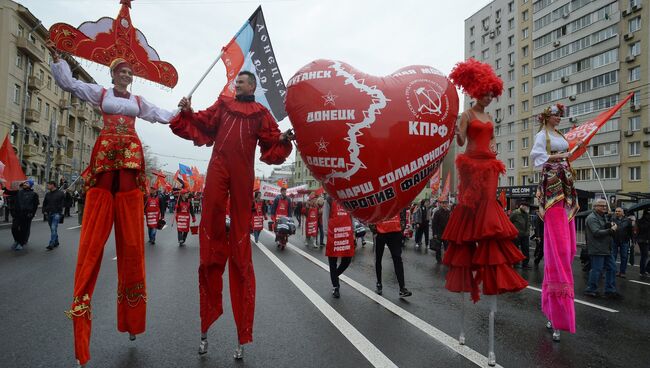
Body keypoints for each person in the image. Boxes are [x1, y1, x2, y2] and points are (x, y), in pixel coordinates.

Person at [48, 42, 177, 365]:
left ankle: (133, 321)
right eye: (122, 71)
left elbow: (162, 115)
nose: (126, 75)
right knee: (92, 245)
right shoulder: (100, 94)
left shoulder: (137, 101)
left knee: (132, 248)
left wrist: (182, 110)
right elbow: (71, 85)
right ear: (113, 74)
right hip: (106, 163)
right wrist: (58, 61)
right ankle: (81, 333)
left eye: (130, 73)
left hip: (130, 167)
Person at [172, 70, 293, 358]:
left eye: (240, 81)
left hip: (241, 173)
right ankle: (207, 315)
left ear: (251, 85)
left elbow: (272, 142)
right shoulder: (224, 104)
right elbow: (203, 122)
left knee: (240, 253)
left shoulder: (260, 113)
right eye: (236, 82)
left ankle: (242, 332)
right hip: (219, 167)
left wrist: (285, 138)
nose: (235, 84)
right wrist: (188, 111)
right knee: (211, 240)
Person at [443, 59, 527, 302]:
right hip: (470, 165)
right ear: (477, 92)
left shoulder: (490, 117)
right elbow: (460, 143)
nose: (489, 98)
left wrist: (493, 152)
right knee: (471, 206)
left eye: (492, 94)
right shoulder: (467, 114)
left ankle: (488, 254)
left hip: (489, 165)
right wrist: (457, 131)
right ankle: (470, 247)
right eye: (486, 94)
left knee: (489, 204)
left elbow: (491, 142)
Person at [529, 103, 580, 341]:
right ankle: (557, 315)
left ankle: (553, 310)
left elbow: (566, 157)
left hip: (566, 185)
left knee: (567, 250)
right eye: (556, 115)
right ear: (547, 117)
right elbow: (538, 161)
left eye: (561, 115)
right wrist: (561, 156)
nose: (559, 118)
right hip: (553, 188)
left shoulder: (559, 134)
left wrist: (569, 154)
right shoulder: (543, 135)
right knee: (558, 252)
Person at [584, 199, 621, 299]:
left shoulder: (603, 216)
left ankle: (610, 290)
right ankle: (591, 289)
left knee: (612, 268)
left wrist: (610, 225)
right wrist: (610, 230)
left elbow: (604, 227)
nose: (604, 207)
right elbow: (596, 232)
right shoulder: (591, 218)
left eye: (605, 206)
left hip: (606, 248)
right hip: (597, 248)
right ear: (595, 207)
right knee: (597, 270)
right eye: (601, 206)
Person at [373, 215, 412, 297]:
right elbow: (372, 213)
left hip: (395, 233)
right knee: (378, 259)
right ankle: (379, 283)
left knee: (398, 259)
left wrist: (401, 230)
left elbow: (402, 213)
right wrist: (374, 230)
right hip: (380, 233)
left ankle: (402, 288)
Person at [325, 196, 355, 298]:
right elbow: (325, 217)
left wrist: (353, 231)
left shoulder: (347, 197)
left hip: (346, 233)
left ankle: (335, 275)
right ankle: (335, 286)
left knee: (347, 260)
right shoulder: (329, 199)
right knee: (332, 262)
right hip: (333, 234)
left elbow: (351, 216)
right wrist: (326, 233)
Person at [9, 179, 39, 250]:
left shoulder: (34, 194)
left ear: (30, 185)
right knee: (14, 228)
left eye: (27, 183)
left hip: (27, 214)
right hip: (17, 214)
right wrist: (3, 186)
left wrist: (32, 214)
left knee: (24, 230)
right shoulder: (18, 192)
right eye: (25, 183)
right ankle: (17, 240)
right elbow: (8, 192)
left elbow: (35, 206)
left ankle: (21, 243)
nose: (25, 184)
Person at [611, 207, 633, 278]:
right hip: (614, 240)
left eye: (619, 211)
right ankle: (614, 271)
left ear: (622, 213)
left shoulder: (627, 220)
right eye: (616, 211)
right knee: (613, 256)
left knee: (624, 257)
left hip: (624, 240)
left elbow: (630, 231)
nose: (617, 212)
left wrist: (632, 240)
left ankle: (622, 272)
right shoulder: (612, 219)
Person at [509, 201, 531, 269]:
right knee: (515, 249)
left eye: (527, 206)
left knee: (526, 250)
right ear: (521, 206)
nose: (526, 208)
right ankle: (515, 263)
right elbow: (509, 222)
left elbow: (528, 224)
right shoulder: (515, 213)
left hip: (525, 235)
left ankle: (525, 264)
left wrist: (528, 232)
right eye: (524, 206)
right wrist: (513, 232)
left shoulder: (527, 214)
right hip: (517, 235)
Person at [43, 180, 65, 250]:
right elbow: (44, 204)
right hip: (49, 213)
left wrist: (66, 194)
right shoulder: (47, 194)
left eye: (48, 185)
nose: (47, 186)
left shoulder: (61, 193)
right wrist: (44, 211)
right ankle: (56, 241)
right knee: (53, 229)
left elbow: (66, 201)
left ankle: (51, 244)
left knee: (53, 228)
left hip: (57, 213)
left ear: (53, 185)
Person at [636, 209, 650, 277]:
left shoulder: (640, 220)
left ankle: (646, 269)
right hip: (643, 240)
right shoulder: (643, 221)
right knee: (644, 256)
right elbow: (643, 229)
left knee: (644, 256)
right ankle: (642, 272)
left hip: (643, 240)